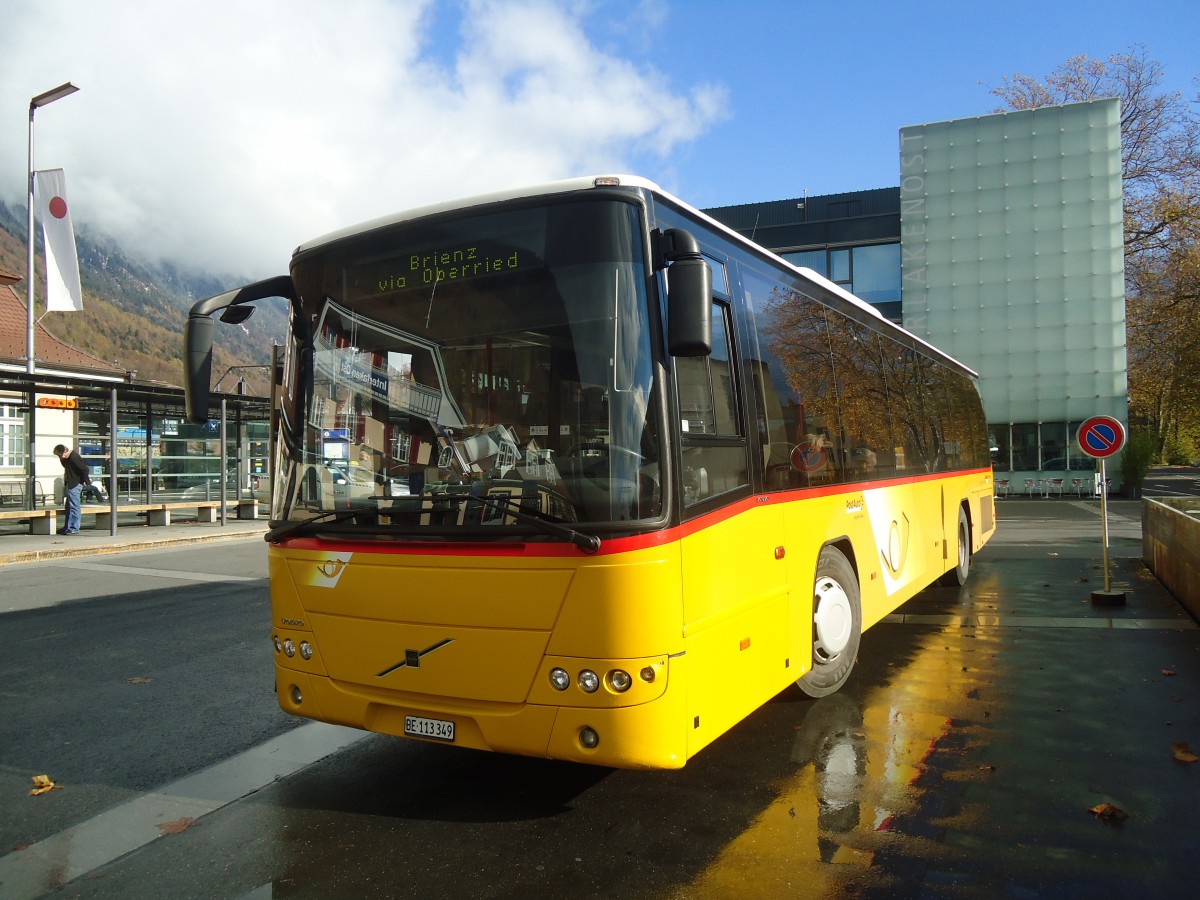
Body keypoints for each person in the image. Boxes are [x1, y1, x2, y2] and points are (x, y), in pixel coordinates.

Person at [54, 443, 91, 534]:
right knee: (69, 507)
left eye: (61, 455)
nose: (61, 457)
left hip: (75, 484)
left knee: (74, 507)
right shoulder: (66, 459)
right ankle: (67, 526)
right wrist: (62, 459)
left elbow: (84, 469)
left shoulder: (74, 457)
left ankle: (74, 527)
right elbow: (66, 467)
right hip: (70, 484)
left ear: (66, 451)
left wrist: (86, 481)